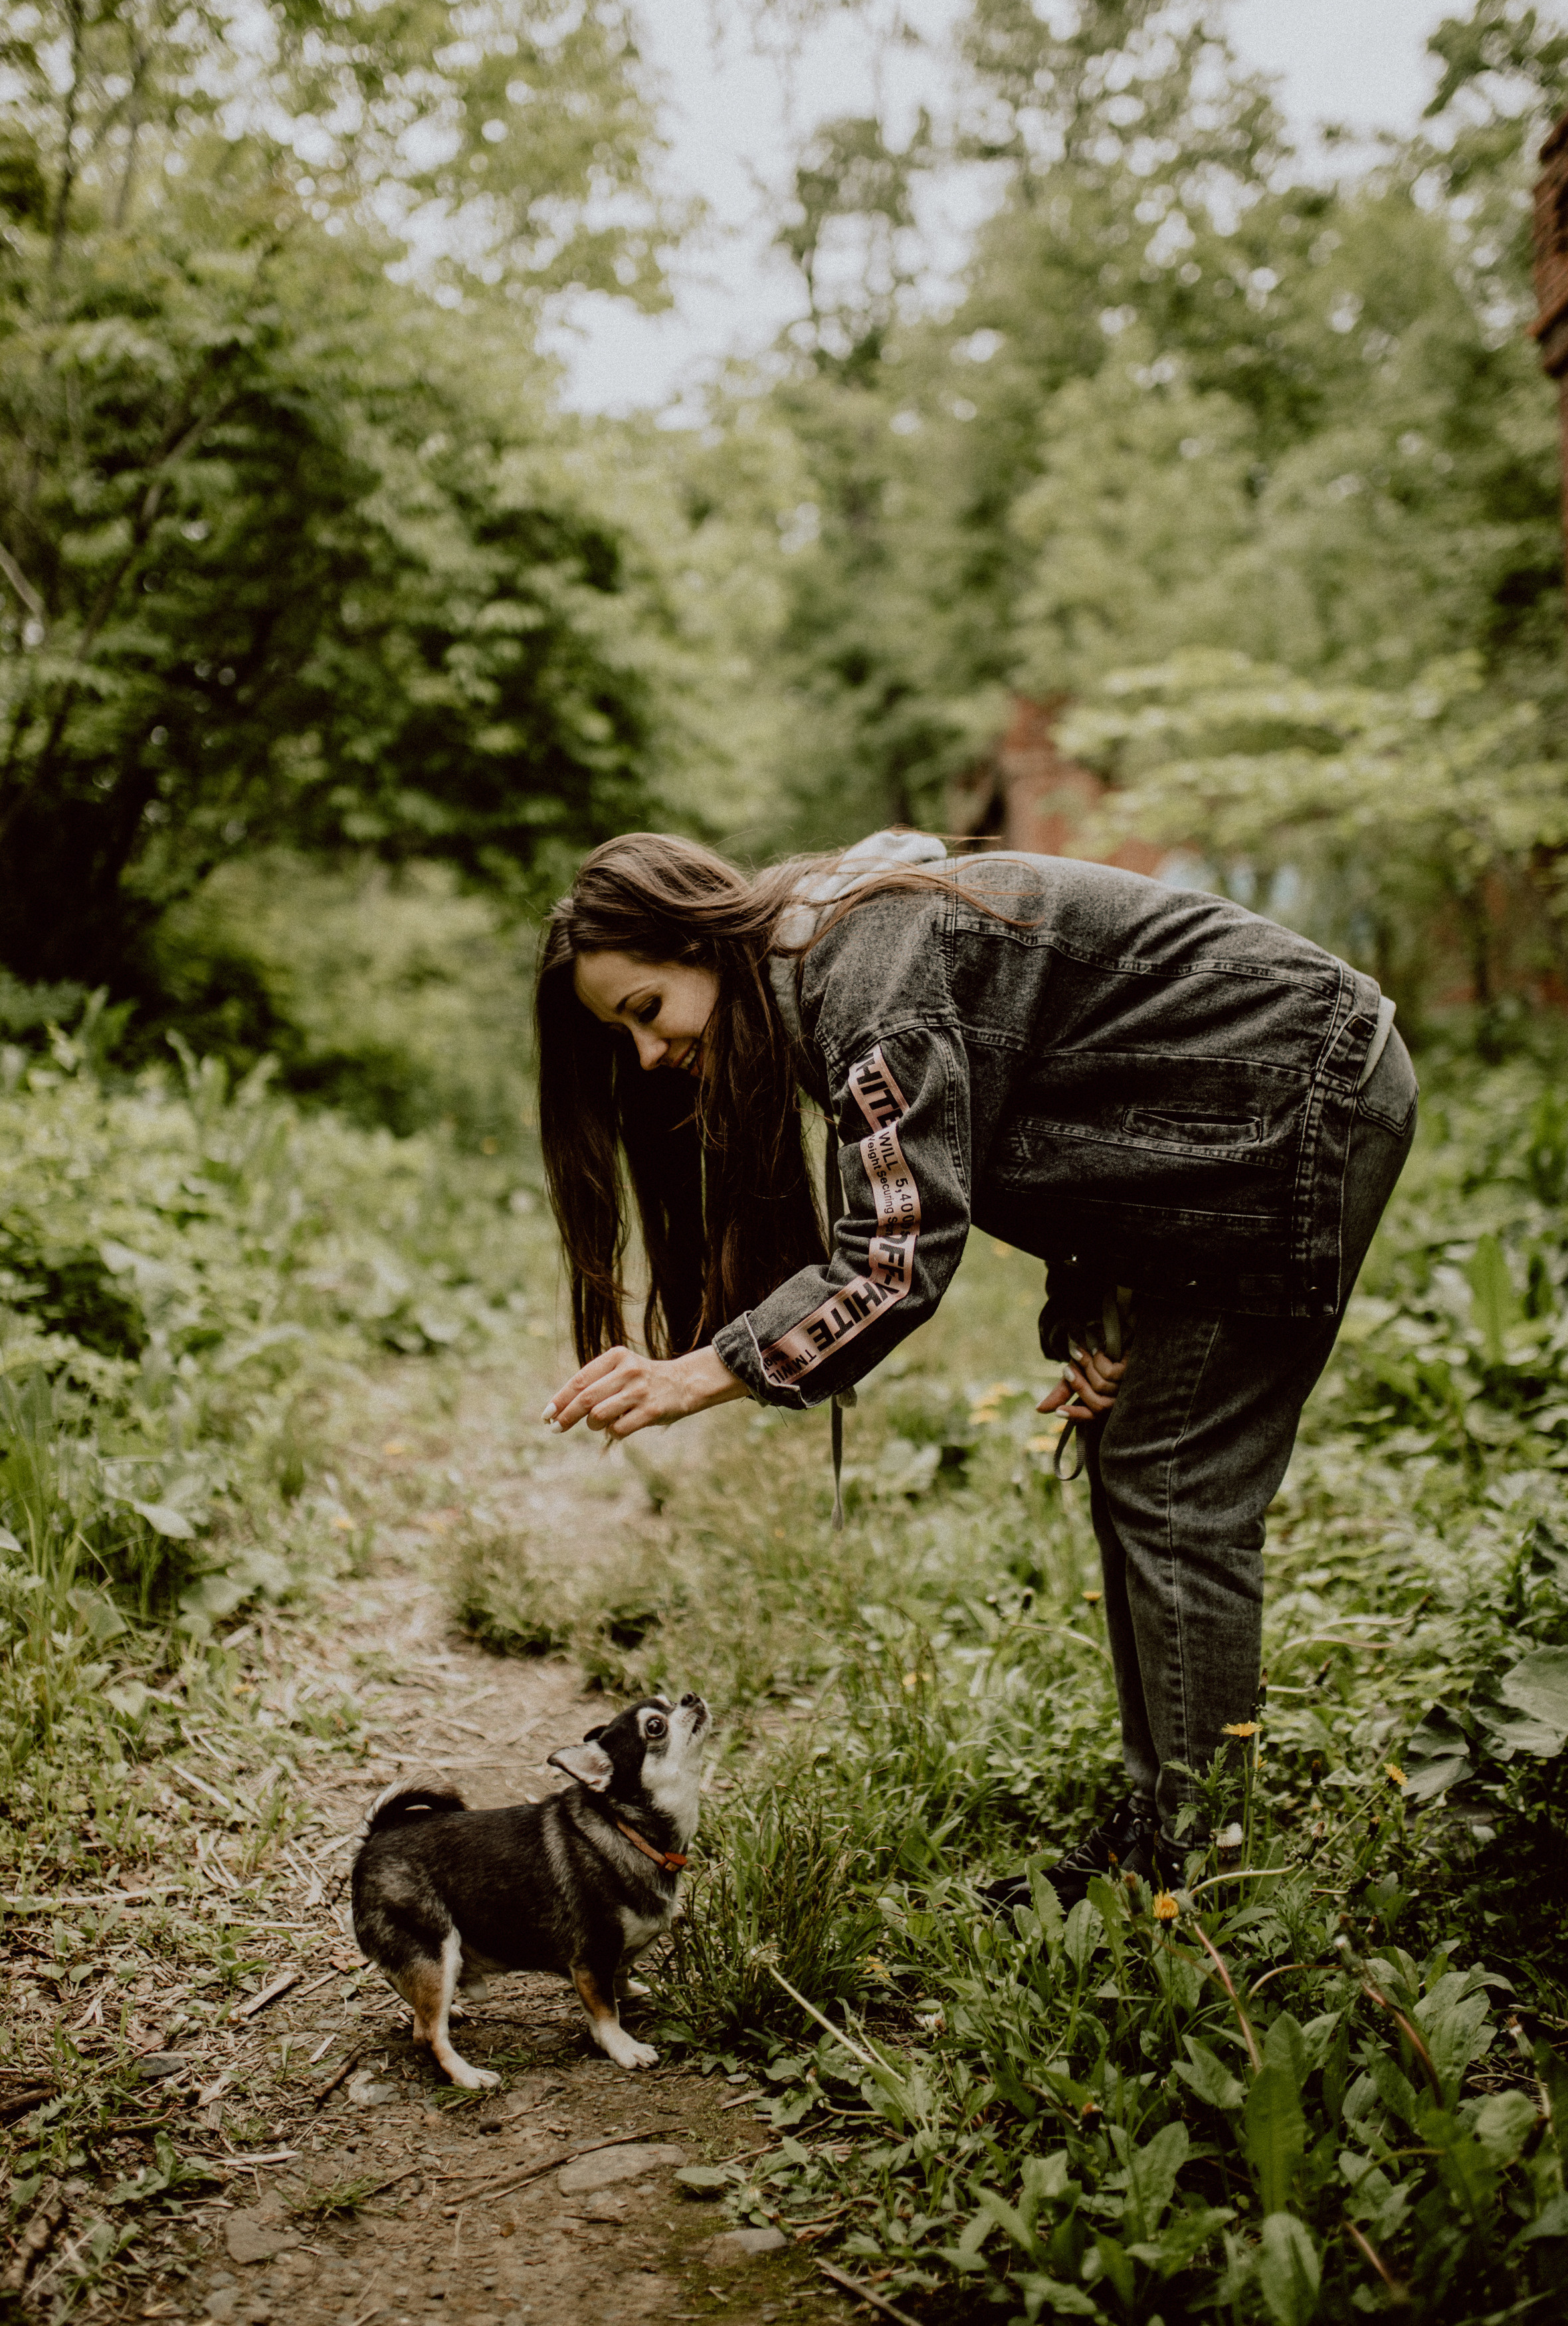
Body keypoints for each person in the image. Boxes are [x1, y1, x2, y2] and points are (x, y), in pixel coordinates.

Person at [535, 829, 1418, 1905]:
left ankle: (1202, 1874)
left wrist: (705, 1371)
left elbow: (896, 1256)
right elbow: (1068, 1095)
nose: (648, 1056)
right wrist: (1100, 1317)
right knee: (1140, 1465)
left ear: (702, 942)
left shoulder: (865, 978)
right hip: (1217, 1128)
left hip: (1297, 1099)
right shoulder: (826, 962)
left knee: (1177, 1486)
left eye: (645, 1012)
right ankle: (1168, 1839)